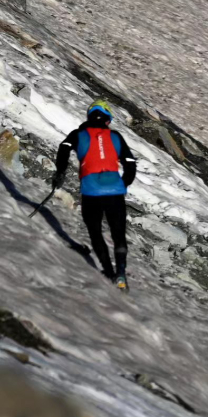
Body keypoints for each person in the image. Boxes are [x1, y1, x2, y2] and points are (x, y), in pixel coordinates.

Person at [52, 99, 137, 290]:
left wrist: (60, 172)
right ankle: (121, 274)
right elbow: (130, 164)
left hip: (91, 190)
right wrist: (122, 184)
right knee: (118, 234)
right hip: (114, 191)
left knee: (95, 231)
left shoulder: (78, 134)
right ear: (107, 119)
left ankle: (108, 271)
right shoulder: (115, 137)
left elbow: (63, 148)